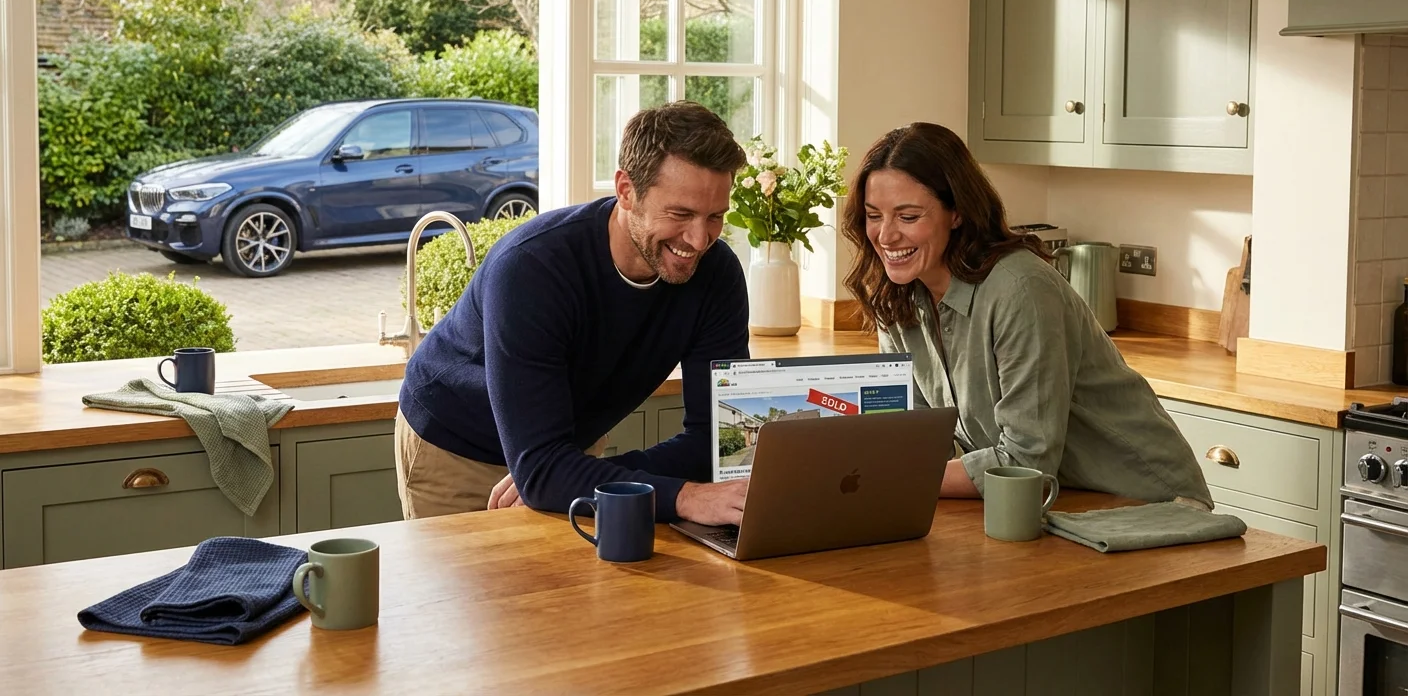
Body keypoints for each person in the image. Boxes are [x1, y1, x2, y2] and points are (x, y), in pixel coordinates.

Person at [394, 101, 752, 526]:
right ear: (626, 190)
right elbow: (544, 472)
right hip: (456, 448)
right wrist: (681, 496)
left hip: (562, 451)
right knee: (476, 595)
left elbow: (717, 442)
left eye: (715, 217)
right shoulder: (533, 268)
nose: (699, 239)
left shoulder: (717, 275)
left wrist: (566, 475)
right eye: (680, 214)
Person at [840, 122, 1213, 509]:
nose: (885, 236)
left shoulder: (1021, 289)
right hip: (1047, 502)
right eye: (873, 215)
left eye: (908, 216)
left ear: (956, 213)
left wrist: (891, 474)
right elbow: (920, 438)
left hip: (1146, 502)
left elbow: (1025, 463)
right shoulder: (896, 295)